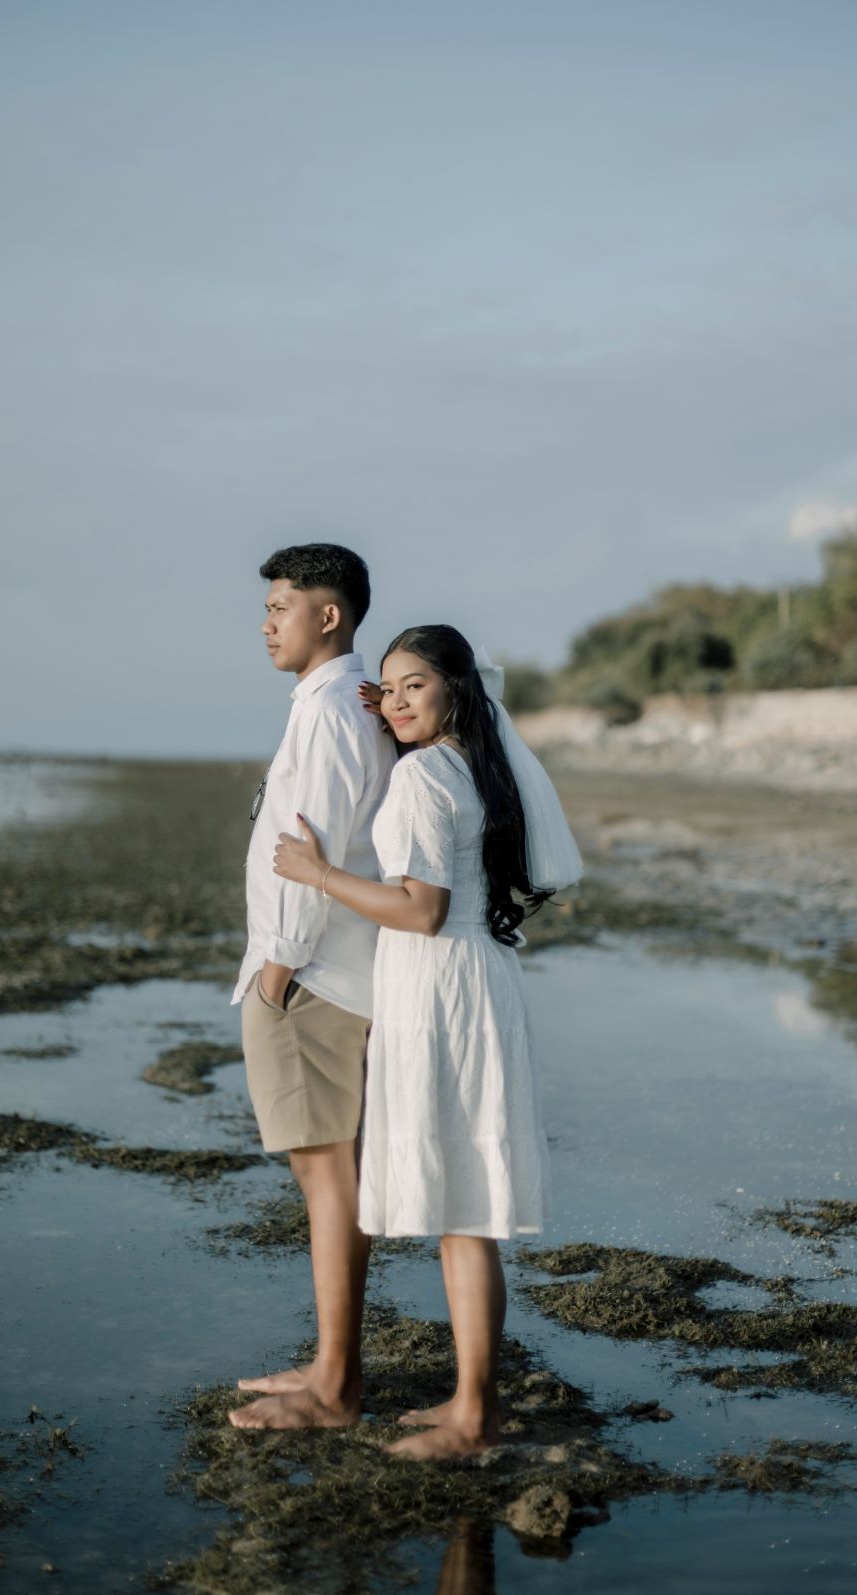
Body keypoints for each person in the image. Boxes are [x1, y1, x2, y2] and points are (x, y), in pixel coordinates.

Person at [272, 624, 582, 1458]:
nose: (398, 701)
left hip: (439, 988)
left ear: (456, 690)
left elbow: (420, 909)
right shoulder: (475, 764)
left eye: (416, 684)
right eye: (389, 688)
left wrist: (318, 874)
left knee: (463, 1213)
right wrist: (397, 704)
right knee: (466, 1210)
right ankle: (469, 1404)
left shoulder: (418, 777)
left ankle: (473, 1419)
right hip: (476, 981)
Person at [228, 544, 395, 1432]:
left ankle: (334, 1389)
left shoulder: (333, 710)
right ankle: (332, 1367)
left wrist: (277, 972)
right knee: (328, 1174)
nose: (265, 624)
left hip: (315, 978)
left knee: (328, 1177)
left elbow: (311, 846)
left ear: (328, 616)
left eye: (280, 607)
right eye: (266, 607)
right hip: (325, 973)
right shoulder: (340, 702)